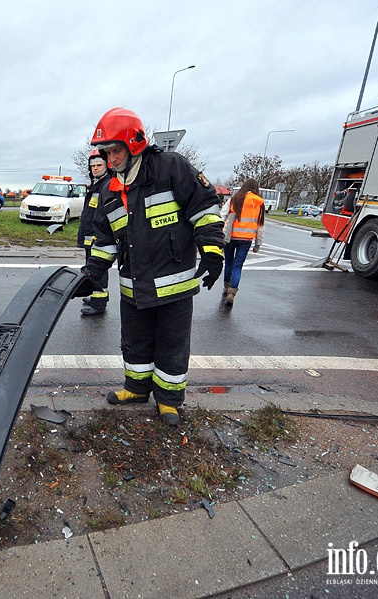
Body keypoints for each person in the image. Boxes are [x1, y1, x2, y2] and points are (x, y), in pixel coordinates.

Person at [82, 108, 225, 426]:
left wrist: (213, 251)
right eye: (107, 153)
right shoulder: (109, 190)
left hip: (174, 288)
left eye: (116, 151)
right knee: (135, 342)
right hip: (134, 288)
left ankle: (169, 401)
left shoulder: (170, 167)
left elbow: (204, 208)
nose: (111, 160)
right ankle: (135, 388)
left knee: (172, 345)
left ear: (135, 145)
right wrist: (92, 273)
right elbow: (105, 240)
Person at [77, 150, 111, 316]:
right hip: (92, 236)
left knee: (99, 270)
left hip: (99, 238)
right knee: (93, 268)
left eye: (99, 165)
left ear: (106, 166)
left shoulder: (106, 185)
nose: (95, 169)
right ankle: (96, 296)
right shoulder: (96, 184)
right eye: (93, 166)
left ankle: (99, 302)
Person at [221, 178, 265, 307]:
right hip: (246, 239)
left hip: (230, 237)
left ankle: (225, 287)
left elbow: (222, 215)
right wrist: (258, 243)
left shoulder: (235, 199)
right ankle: (232, 293)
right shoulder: (259, 203)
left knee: (228, 262)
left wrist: (219, 230)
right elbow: (260, 225)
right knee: (237, 266)